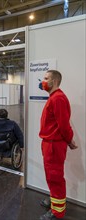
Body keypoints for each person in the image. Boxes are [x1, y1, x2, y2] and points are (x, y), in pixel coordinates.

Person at [38, 70, 78, 220]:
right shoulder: (54, 97)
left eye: (46, 78)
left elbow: (63, 125)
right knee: (51, 176)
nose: (43, 81)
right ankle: (54, 199)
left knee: (55, 177)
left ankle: (57, 212)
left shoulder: (58, 98)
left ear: (54, 81)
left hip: (54, 145)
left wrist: (69, 140)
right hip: (49, 144)